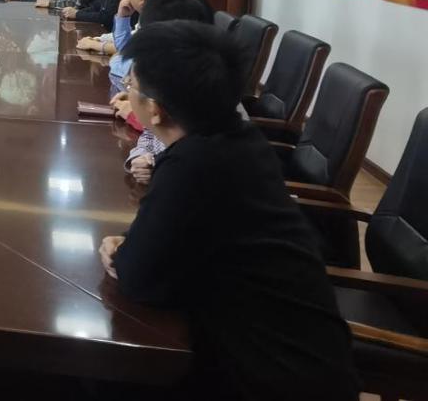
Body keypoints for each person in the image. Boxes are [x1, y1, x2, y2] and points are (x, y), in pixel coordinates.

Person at [98, 21, 357, 401]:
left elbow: (140, 279)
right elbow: (183, 236)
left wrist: (123, 252)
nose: (126, 90)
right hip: (304, 360)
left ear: (154, 109)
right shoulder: (236, 138)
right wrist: (136, 244)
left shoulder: (194, 165)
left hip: (271, 377)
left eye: (131, 84)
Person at [109, 0, 213, 184]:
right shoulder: (170, 82)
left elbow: (195, 166)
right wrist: (141, 157)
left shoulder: (204, 96)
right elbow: (150, 135)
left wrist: (158, 164)